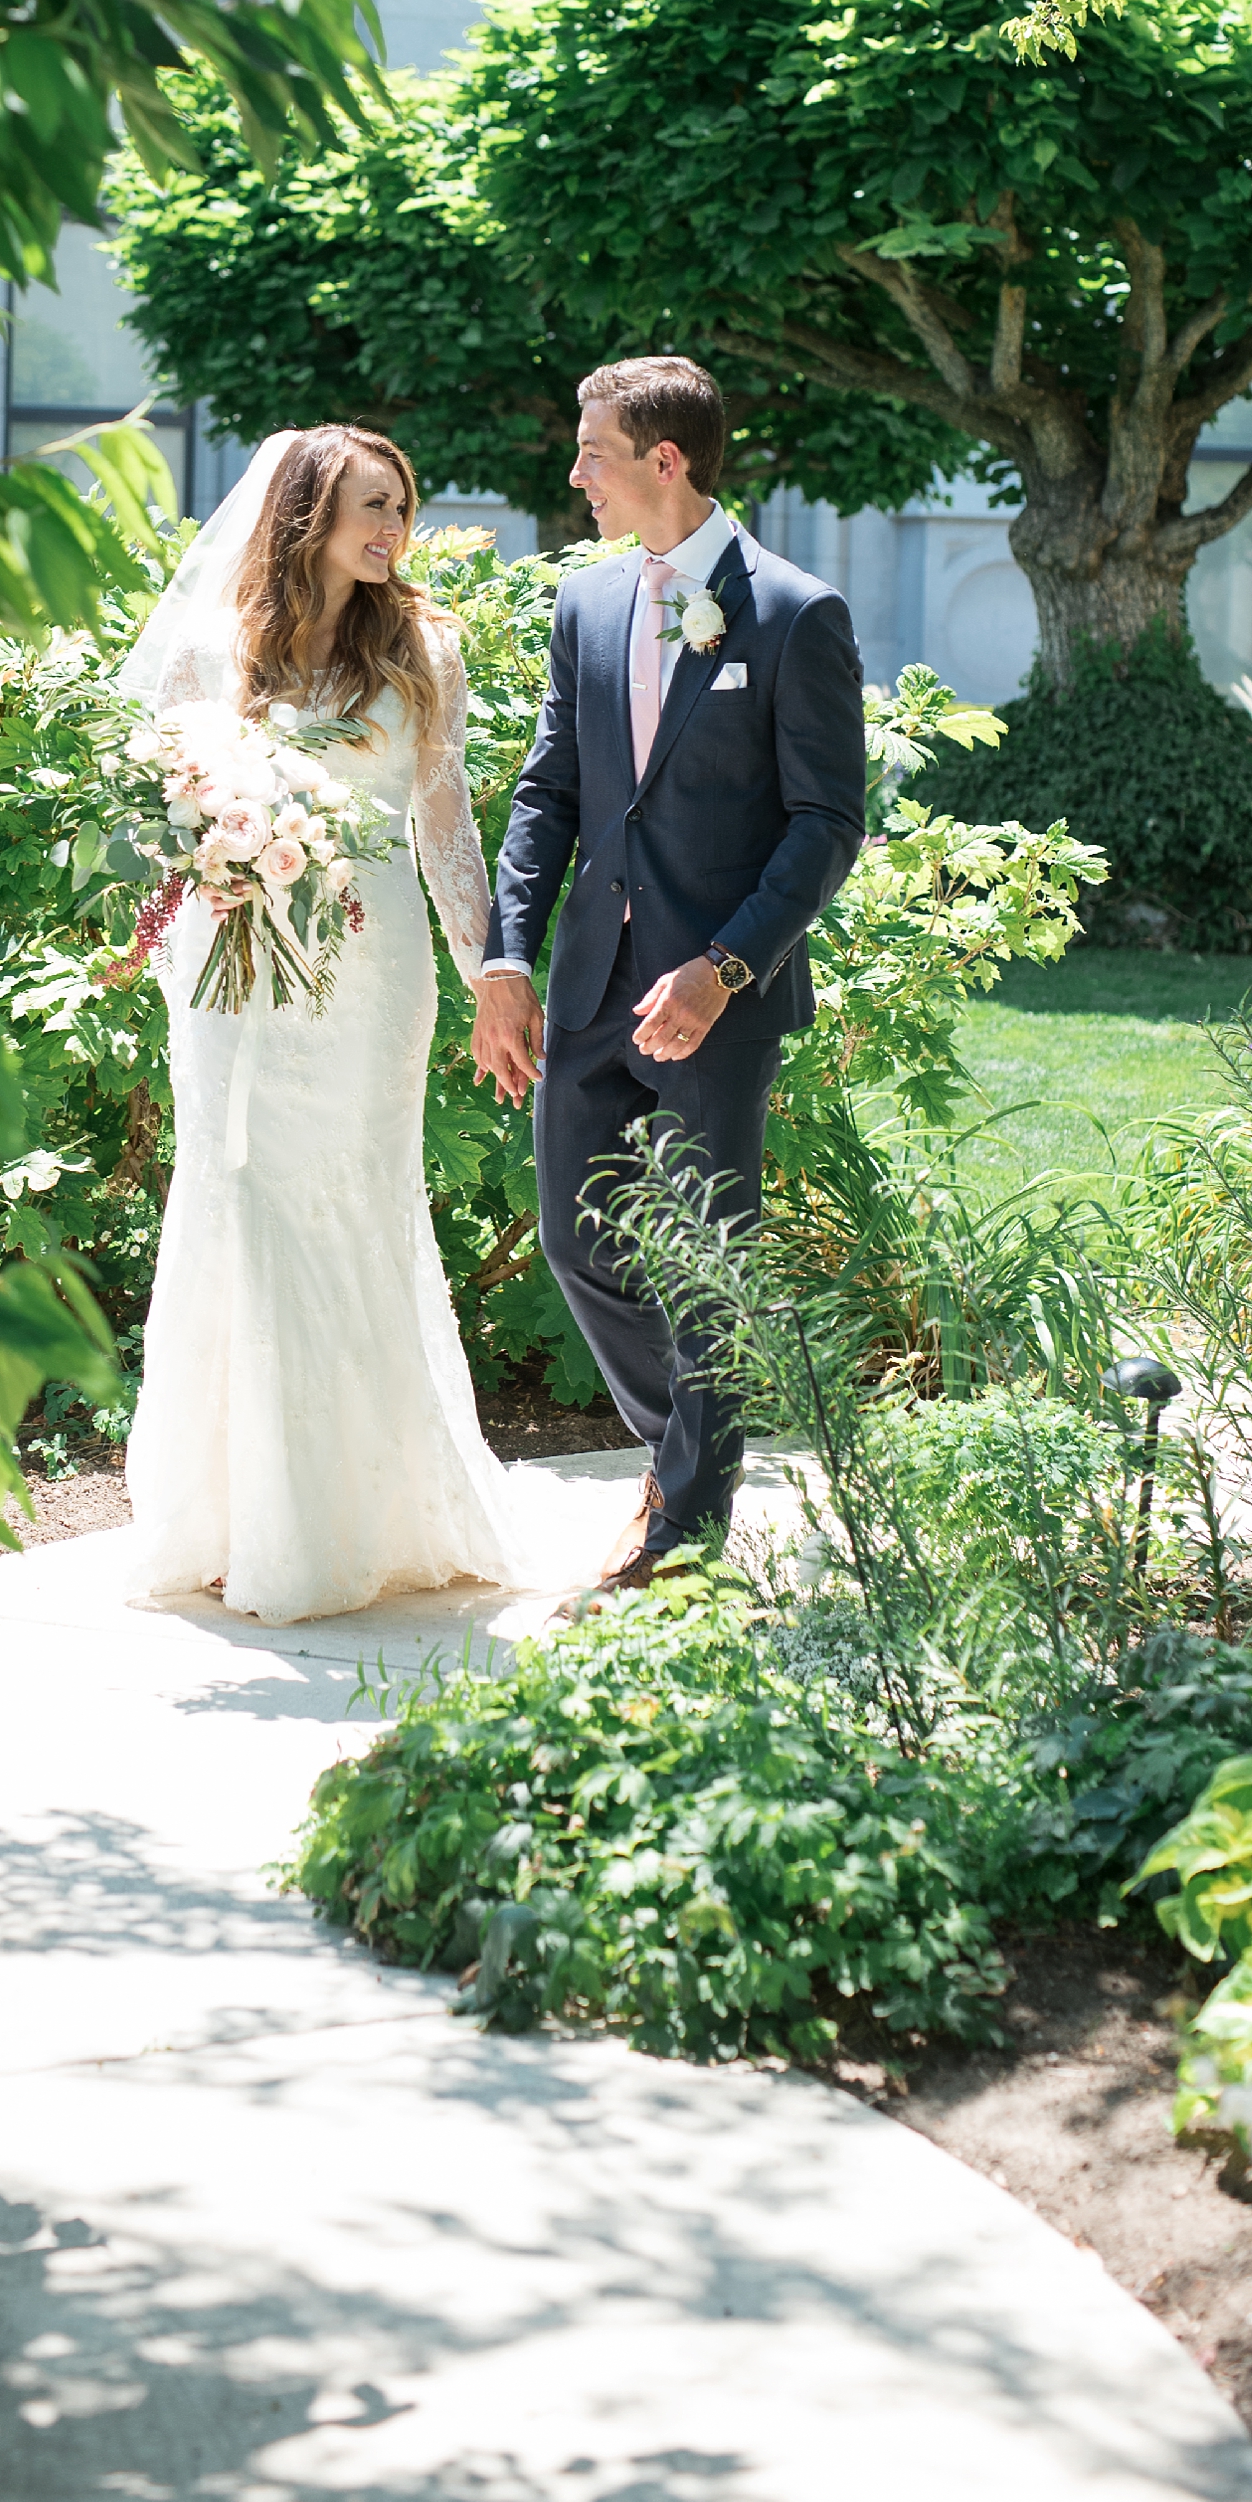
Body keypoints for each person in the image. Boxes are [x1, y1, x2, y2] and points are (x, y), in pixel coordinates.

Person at [474, 356, 867, 1597]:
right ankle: (680, 1454)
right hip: (591, 985)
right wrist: (506, 952)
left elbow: (823, 822)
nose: (575, 473)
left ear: (665, 461)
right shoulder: (585, 607)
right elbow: (548, 793)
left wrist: (726, 966)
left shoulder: (795, 614)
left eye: (593, 451)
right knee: (576, 1239)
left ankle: (686, 1527)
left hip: (716, 998)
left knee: (708, 1251)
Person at [119, 426, 521, 1622]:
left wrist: (492, 969)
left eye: (398, 504)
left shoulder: (423, 647)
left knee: (351, 1197)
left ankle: (363, 1520)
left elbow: (440, 821)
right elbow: (159, 808)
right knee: (237, 1191)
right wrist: (150, 921)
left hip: (372, 959)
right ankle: (229, 1520)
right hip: (235, 958)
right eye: (367, 507)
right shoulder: (215, 647)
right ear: (305, 517)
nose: (390, 529)